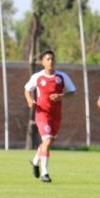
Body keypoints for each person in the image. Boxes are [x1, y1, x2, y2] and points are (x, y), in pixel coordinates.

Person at [24, 49, 77, 183]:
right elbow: (27, 89)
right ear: (42, 62)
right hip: (42, 113)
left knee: (49, 142)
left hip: (56, 115)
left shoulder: (62, 76)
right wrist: (30, 100)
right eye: (47, 59)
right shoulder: (38, 77)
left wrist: (61, 96)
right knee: (47, 141)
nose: (50, 61)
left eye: (52, 59)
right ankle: (45, 173)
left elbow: (73, 92)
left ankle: (35, 161)